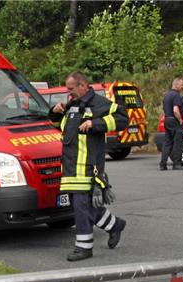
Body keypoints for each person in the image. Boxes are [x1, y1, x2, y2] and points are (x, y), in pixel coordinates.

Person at [49, 71, 129, 262]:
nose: (68, 93)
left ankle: (84, 248)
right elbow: (58, 126)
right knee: (87, 208)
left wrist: (96, 123)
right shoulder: (72, 105)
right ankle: (115, 225)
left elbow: (123, 118)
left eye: (71, 89)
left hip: (88, 168)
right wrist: (55, 112)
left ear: (82, 86)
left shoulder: (99, 103)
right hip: (70, 169)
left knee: (81, 208)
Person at [160, 77, 183, 171]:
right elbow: (175, 110)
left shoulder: (167, 95)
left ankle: (163, 164)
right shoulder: (176, 95)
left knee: (167, 142)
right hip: (174, 120)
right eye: (182, 84)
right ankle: (177, 164)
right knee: (178, 142)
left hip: (167, 119)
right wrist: (180, 120)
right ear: (176, 85)